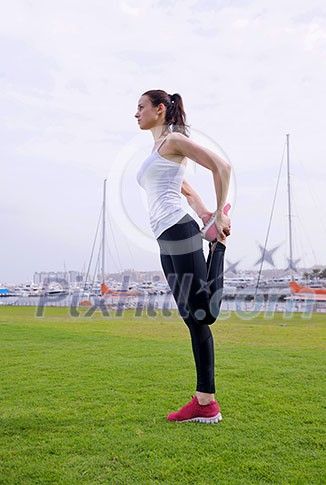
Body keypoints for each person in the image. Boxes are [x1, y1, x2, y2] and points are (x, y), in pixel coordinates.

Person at [135, 89, 231, 423]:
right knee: (192, 318)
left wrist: (218, 216)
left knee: (203, 313)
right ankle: (204, 402)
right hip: (166, 236)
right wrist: (206, 211)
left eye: (141, 107)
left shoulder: (174, 140)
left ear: (159, 110)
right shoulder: (158, 148)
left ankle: (217, 247)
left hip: (180, 230)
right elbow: (183, 186)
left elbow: (221, 165)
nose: (136, 113)